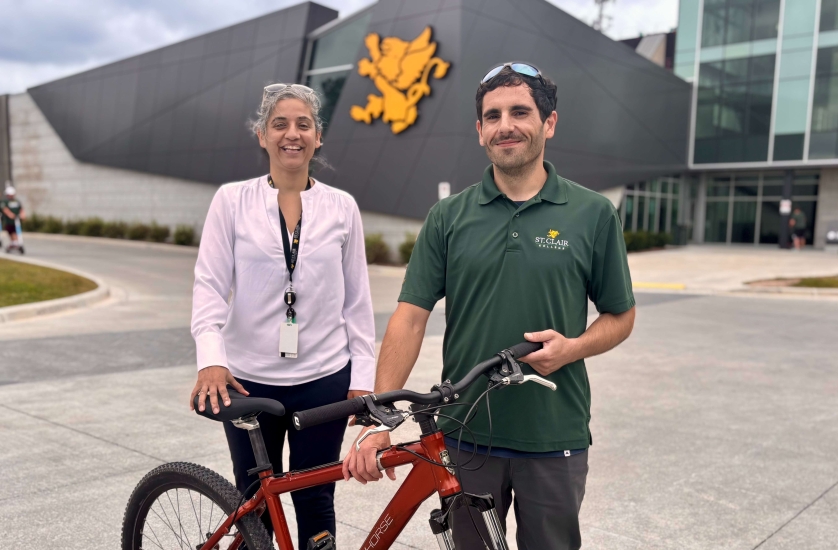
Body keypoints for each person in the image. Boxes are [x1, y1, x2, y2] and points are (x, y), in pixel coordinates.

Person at [342, 62, 636, 549]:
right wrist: (380, 419)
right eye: (493, 115)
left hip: (554, 434)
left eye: (520, 112)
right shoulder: (448, 216)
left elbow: (621, 316)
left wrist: (573, 348)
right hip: (465, 436)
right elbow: (410, 318)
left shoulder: (593, 214)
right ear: (479, 131)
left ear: (549, 123)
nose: (506, 125)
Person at [190, 83, 375, 550]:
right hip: (249, 381)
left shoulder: (342, 207)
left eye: (303, 125)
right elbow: (209, 286)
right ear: (261, 135)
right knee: (254, 504)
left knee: (316, 499)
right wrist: (211, 359)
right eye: (279, 124)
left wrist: (363, 377)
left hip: (324, 379)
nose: (291, 134)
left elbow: (357, 301)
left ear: (318, 138)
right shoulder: (231, 201)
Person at [1, 184, 26, 252]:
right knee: (10, 232)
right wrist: (10, 214)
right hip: (8, 221)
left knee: (16, 232)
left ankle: (15, 243)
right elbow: (4, 209)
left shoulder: (16, 201)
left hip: (16, 220)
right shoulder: (5, 201)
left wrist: (23, 215)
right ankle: (14, 243)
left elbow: (21, 209)